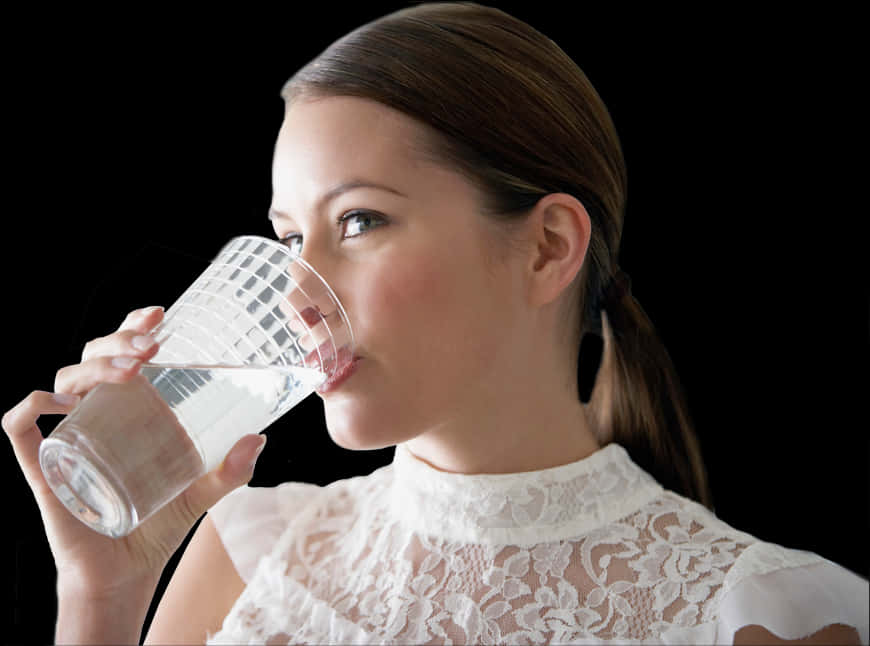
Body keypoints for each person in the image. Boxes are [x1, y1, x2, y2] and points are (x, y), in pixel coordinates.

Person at [3, 3, 867, 644]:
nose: (299, 294)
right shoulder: (249, 550)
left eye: (359, 222)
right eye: (289, 237)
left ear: (547, 248)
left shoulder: (759, 615)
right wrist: (102, 594)